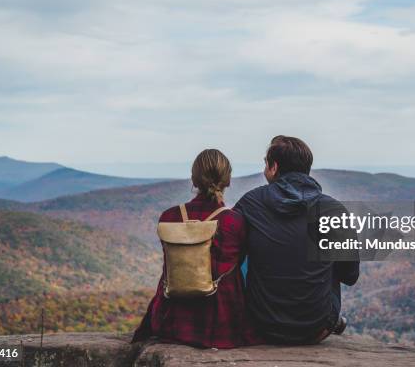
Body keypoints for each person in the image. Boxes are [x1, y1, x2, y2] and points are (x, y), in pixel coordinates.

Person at [131, 149, 263, 348]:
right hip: (222, 323)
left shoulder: (169, 217)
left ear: (193, 180)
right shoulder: (234, 221)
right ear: (227, 181)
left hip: (172, 320)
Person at [234, 136, 360, 344]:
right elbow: (350, 275)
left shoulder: (250, 204)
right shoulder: (334, 211)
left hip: (260, 324)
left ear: (274, 167)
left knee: (245, 248)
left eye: (265, 163)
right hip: (316, 328)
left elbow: (232, 257)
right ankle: (327, 317)